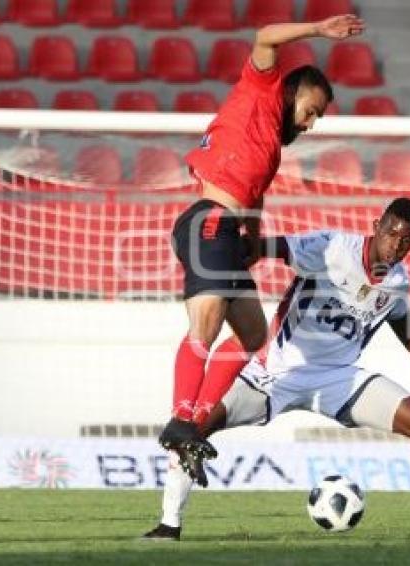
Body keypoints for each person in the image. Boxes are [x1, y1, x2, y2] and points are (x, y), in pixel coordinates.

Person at [144, 198, 410, 542]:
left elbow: (406, 328)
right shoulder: (331, 248)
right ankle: (168, 526)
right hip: (276, 370)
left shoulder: (397, 281)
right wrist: (226, 257)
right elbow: (264, 247)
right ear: (376, 227)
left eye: (405, 239)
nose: (396, 244)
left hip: (338, 378)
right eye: (391, 233)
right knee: (194, 429)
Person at [160, 15, 366, 462]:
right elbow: (265, 37)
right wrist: (320, 29)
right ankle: (179, 418)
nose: (311, 123)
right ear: (292, 92)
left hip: (230, 231)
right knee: (207, 323)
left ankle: (195, 421)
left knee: (253, 334)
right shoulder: (261, 90)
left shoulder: (270, 145)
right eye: (311, 111)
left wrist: (253, 241)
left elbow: (253, 198)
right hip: (208, 220)